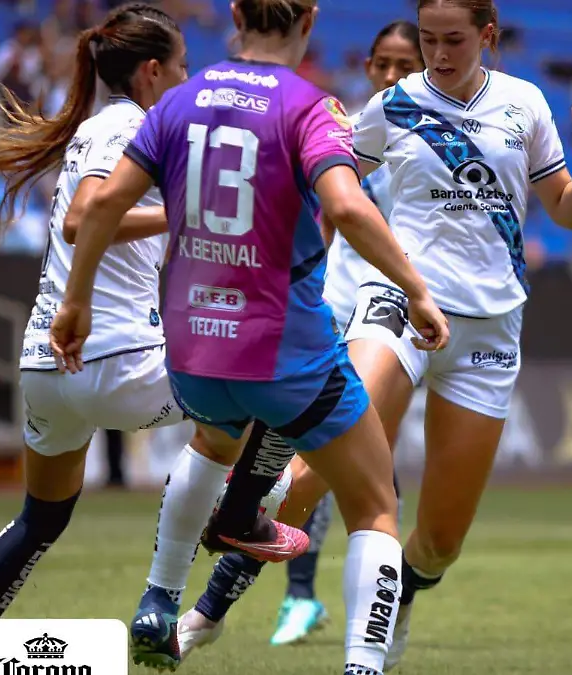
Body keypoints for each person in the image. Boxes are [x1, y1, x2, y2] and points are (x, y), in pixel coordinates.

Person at [179, 0, 572, 670]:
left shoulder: (525, 105)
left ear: (487, 36)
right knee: (322, 460)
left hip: (490, 330)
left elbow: (567, 209)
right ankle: (206, 610)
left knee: (440, 540)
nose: (439, 54)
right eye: (430, 40)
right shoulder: (393, 105)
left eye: (454, 41)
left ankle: (402, 592)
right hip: (401, 305)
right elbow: (325, 185)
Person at [46, 2, 451, 675]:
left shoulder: (179, 102)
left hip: (196, 353)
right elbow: (348, 206)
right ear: (309, 20)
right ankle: (361, 666)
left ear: (235, 13)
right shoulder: (309, 106)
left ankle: (160, 597)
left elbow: (101, 206)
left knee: (214, 439)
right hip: (283, 351)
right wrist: (416, 288)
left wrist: (76, 301)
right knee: (376, 503)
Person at [0, 4, 258, 627]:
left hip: (47, 367)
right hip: (112, 360)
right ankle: (223, 529)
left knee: (41, 519)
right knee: (263, 388)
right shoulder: (125, 128)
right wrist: (185, 214)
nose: (188, 79)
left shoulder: (108, 129)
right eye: (183, 67)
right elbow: (82, 216)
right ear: (151, 72)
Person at [266, 20, 427, 648]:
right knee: (324, 446)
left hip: (391, 315)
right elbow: (322, 215)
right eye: (381, 64)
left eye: (402, 66)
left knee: (367, 455)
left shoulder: (432, 140)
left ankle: (371, 598)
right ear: (367, 65)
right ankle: (301, 595)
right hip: (333, 304)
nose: (390, 77)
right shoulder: (346, 130)